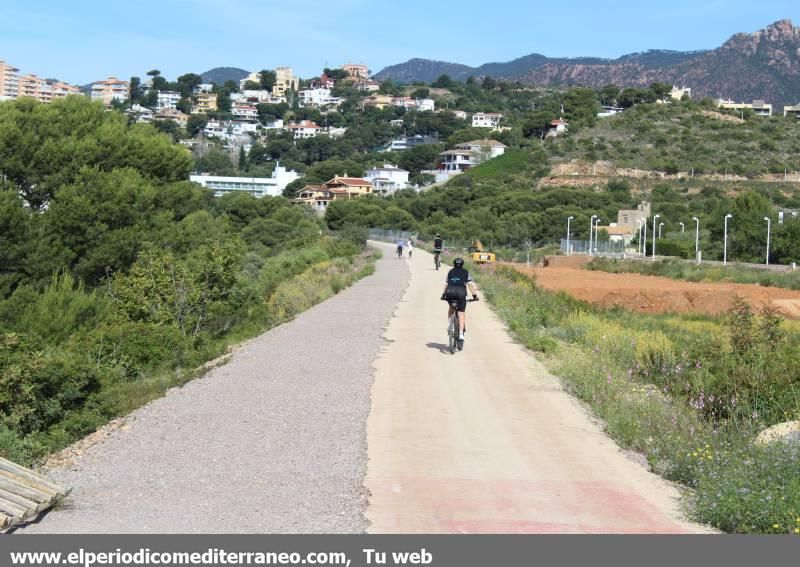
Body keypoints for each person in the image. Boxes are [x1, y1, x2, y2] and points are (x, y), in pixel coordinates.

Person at [441, 257, 478, 341]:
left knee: (451, 308)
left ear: (454, 264)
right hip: (461, 293)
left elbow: (447, 284)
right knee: (461, 313)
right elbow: (470, 285)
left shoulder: (450, 272)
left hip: (450, 292)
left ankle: (450, 326)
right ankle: (461, 334)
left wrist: (443, 294)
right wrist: (474, 296)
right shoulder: (466, 272)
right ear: (462, 264)